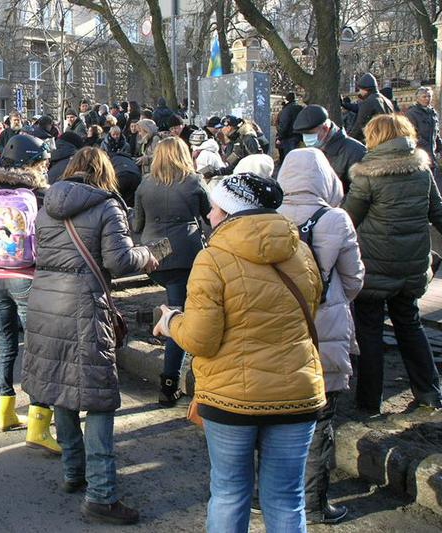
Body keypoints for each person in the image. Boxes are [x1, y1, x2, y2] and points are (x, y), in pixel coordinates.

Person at [155, 172, 325, 533]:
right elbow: (312, 307)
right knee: (287, 498)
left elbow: (201, 340)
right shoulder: (302, 251)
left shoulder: (212, 260)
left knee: (230, 493)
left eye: (215, 208)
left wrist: (171, 323)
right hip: (297, 392)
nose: (210, 216)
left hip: (231, 398)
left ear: (231, 213)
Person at [23, 147, 157, 525]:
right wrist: (146, 255)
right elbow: (119, 261)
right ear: (104, 172)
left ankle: (72, 472)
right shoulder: (108, 207)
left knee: (60, 386)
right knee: (98, 399)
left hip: (45, 302)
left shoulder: (46, 206)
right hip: (83, 306)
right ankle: (101, 494)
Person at [277, 148, 365, 525]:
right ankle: (313, 504)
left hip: (277, 328)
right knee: (319, 417)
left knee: (273, 413)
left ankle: (267, 496)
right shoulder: (337, 219)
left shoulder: (269, 217)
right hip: (324, 329)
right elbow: (355, 278)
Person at [342, 114, 442, 413]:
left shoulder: (368, 174)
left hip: (374, 268)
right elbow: (437, 211)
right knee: (409, 324)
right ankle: (428, 391)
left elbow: (348, 219)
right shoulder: (422, 170)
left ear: (375, 137)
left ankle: (368, 402)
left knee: (369, 331)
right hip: (411, 266)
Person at [0, 135, 61, 452]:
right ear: (35, 164)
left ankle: (4, 414)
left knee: (5, 342)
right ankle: (39, 424)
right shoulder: (38, 195)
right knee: (37, 349)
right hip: (26, 277)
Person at [134, 137, 210, 406]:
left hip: (155, 252)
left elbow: (137, 222)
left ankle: (172, 376)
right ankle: (169, 383)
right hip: (185, 252)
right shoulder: (193, 181)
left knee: (177, 306)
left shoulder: (146, 184)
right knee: (180, 314)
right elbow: (210, 216)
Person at [292, 104, 366, 193]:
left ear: (325, 128)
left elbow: (360, 194)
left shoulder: (355, 151)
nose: (306, 139)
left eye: (310, 134)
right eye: (304, 134)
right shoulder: (311, 150)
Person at [405, 87, 440, 181]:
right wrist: (425, 146)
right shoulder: (412, 113)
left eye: (429, 96)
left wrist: (439, 146)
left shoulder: (433, 113)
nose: (427, 99)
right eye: (424, 96)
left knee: (433, 184)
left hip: (432, 157)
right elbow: (412, 135)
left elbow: (436, 134)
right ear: (417, 98)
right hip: (419, 156)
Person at [348, 72, 394, 143]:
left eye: (360, 89)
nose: (359, 92)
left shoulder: (369, 102)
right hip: (389, 139)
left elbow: (359, 124)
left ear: (366, 89)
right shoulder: (387, 101)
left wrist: (349, 139)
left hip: (376, 140)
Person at [276, 92, 304, 161]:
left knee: (289, 161)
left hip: (289, 139)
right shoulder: (301, 108)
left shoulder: (286, 110)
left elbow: (284, 126)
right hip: (301, 138)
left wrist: (279, 138)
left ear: (287, 100)